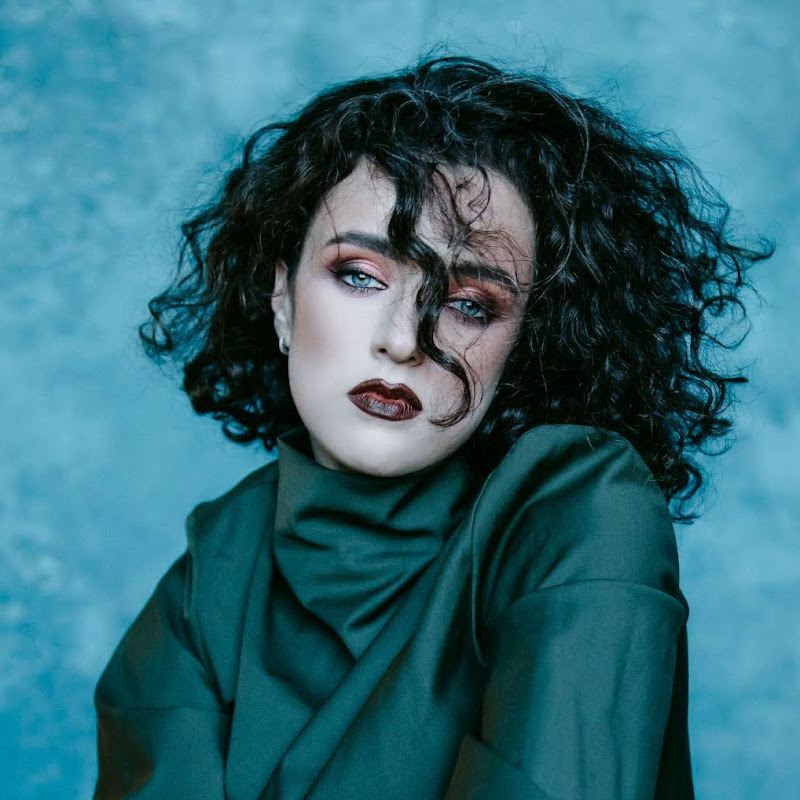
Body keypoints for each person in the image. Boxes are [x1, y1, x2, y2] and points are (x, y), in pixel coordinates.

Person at [92, 55, 773, 798]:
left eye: (470, 305)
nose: (403, 340)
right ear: (281, 297)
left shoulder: (579, 511)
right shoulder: (208, 578)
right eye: (360, 275)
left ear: (525, 343)